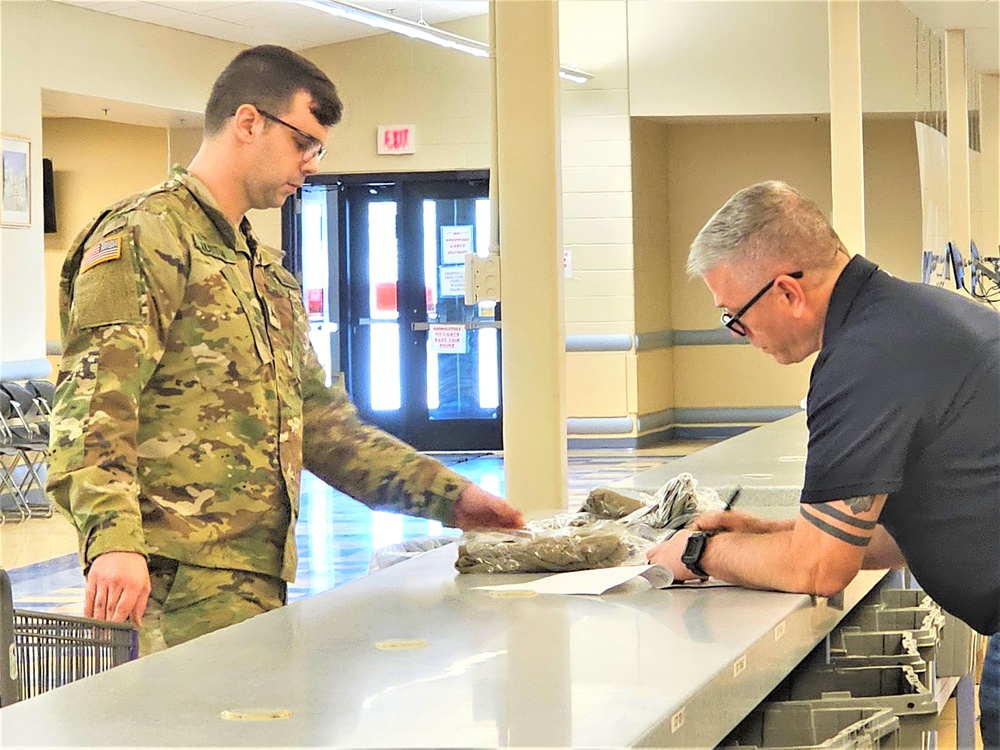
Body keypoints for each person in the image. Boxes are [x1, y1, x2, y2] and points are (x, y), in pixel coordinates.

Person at [47, 45, 523, 655]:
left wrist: (452, 498)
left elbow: (325, 427)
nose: (313, 164)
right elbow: (92, 409)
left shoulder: (264, 273)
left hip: (252, 578)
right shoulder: (145, 237)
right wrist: (112, 540)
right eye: (305, 142)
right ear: (248, 122)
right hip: (165, 582)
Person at [646, 181, 999, 746]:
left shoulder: (864, 359)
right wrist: (772, 532)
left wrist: (696, 552)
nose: (740, 335)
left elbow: (819, 570)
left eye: (734, 315)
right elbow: (914, 529)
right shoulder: (904, 317)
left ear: (786, 292)